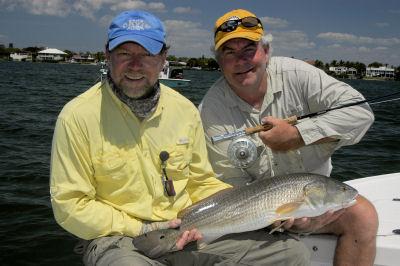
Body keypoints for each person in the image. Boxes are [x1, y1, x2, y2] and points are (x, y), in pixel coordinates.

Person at [50, 10, 310, 266]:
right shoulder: (77, 116)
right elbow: (70, 205)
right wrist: (141, 228)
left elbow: (201, 181)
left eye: (148, 54)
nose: (135, 65)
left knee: (291, 254)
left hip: (188, 229)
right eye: (125, 54)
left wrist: (259, 207)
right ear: (107, 55)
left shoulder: (185, 110)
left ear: (164, 57)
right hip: (119, 239)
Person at [199, 8, 379, 266]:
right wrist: (280, 216)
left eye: (249, 49)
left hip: (316, 201)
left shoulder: (299, 75)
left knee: (363, 216)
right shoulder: (210, 112)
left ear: (266, 51)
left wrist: (298, 135)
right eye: (230, 52)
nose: (241, 60)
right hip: (253, 216)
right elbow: (229, 189)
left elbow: (360, 113)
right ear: (219, 62)